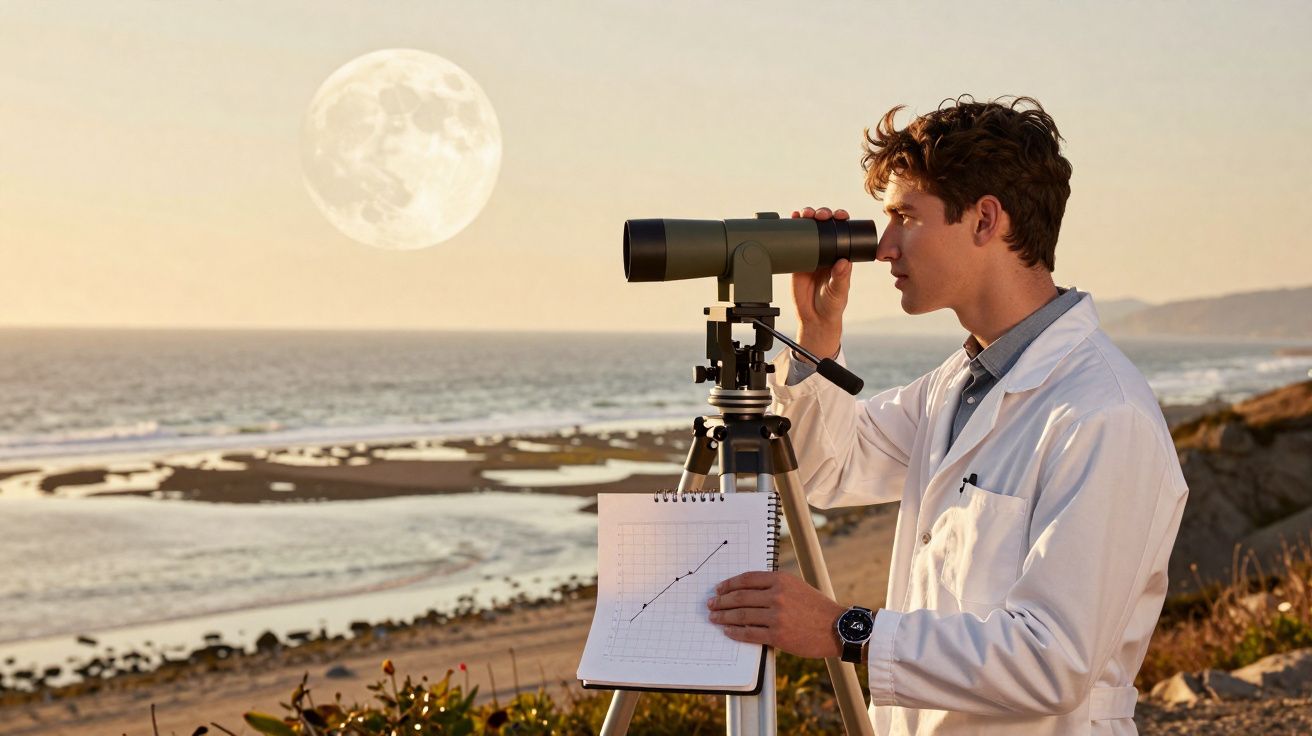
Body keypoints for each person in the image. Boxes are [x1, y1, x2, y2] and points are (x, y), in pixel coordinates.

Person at [706, 95, 1188, 735]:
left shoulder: (1101, 413)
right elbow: (831, 469)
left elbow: (1053, 660)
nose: (884, 246)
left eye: (905, 216)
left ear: (986, 220)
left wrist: (842, 629)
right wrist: (817, 335)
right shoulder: (961, 384)